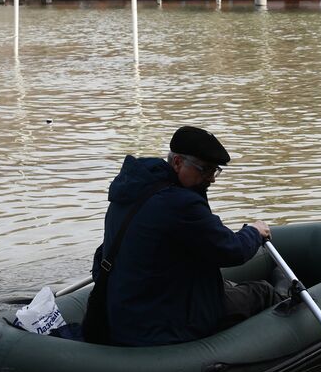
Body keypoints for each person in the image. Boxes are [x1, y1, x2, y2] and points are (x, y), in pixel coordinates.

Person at [90, 125, 287, 346]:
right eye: (205, 170)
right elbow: (231, 250)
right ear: (177, 163)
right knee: (261, 291)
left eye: (215, 171)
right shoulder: (181, 204)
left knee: (223, 285)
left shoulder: (132, 188)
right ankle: (286, 302)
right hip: (161, 323)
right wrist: (253, 231)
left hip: (126, 311)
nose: (211, 178)